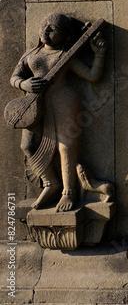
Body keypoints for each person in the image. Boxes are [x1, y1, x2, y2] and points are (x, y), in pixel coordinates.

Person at [10, 13, 107, 212]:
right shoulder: (31, 55)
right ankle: (50, 182)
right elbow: (14, 77)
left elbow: (92, 75)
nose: (46, 32)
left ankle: (68, 192)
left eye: (53, 29)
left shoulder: (66, 56)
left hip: (64, 99)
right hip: (33, 102)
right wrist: (24, 83)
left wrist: (99, 54)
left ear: (65, 36)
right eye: (44, 26)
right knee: (27, 145)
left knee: (65, 146)